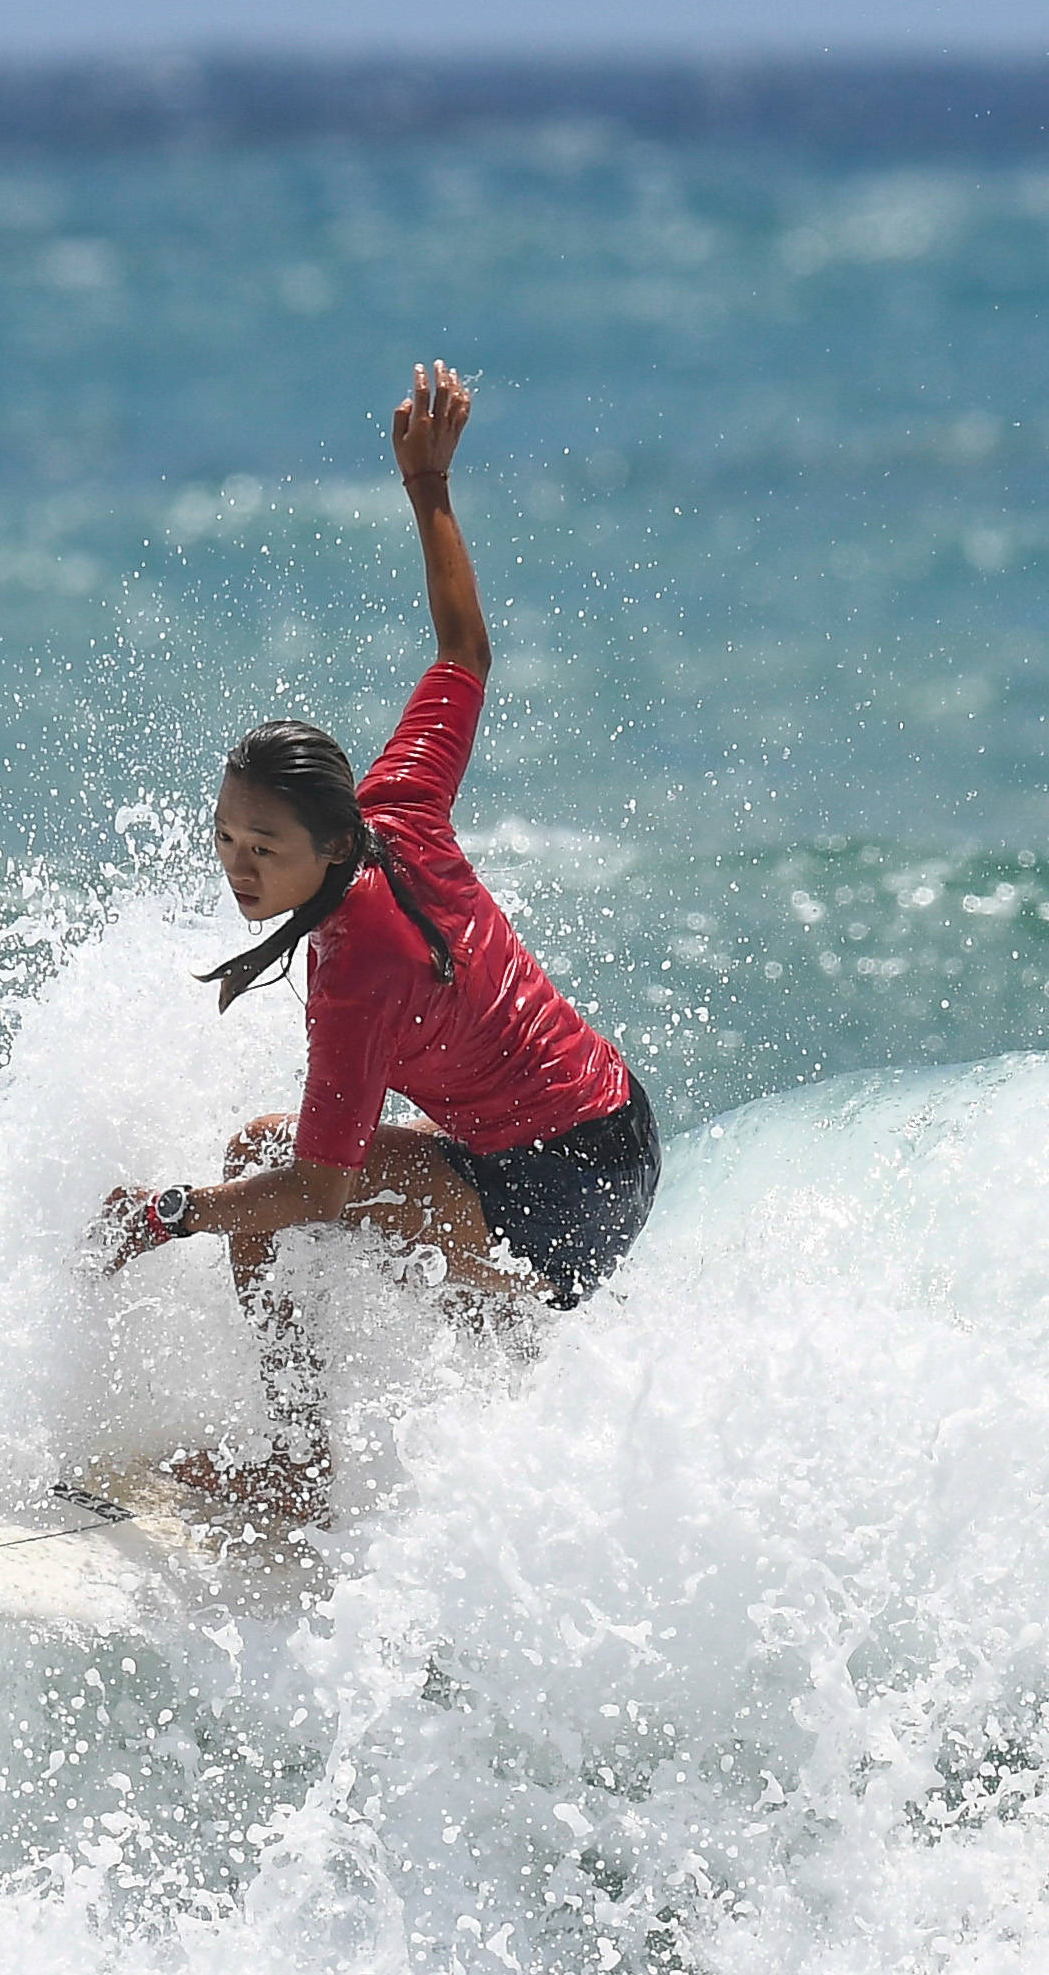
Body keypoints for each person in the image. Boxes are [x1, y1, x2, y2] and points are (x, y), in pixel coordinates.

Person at [94, 361, 655, 1522]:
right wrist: (429, 487)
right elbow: (464, 655)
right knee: (349, 1215)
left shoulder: (362, 967)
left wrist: (172, 1214)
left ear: (330, 841)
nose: (239, 865)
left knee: (271, 1177)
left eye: (265, 848)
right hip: (610, 1133)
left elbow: (318, 1183)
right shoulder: (399, 802)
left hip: (563, 1191)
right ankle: (516, 1449)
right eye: (227, 836)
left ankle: (299, 1469)